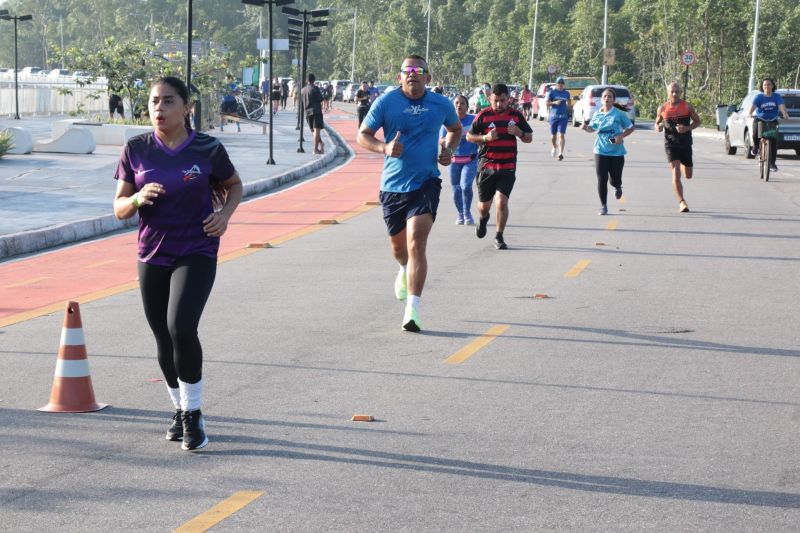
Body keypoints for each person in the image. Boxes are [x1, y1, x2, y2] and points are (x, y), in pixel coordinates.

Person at [112, 76, 243, 451]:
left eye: (168, 101)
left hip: (197, 250)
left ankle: (193, 415)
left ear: (186, 108)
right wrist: (137, 199)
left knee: (180, 327)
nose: (159, 109)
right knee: (162, 336)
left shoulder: (207, 148)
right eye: (154, 102)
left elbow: (234, 185)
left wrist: (225, 216)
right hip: (152, 253)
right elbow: (119, 208)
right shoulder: (136, 149)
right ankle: (178, 407)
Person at [357, 54, 461, 332]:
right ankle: (403, 269)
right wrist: (384, 148)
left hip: (426, 182)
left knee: (417, 242)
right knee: (399, 249)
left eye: (418, 70)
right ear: (399, 76)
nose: (413, 74)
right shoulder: (386, 102)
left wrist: (448, 150)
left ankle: (412, 309)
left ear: (428, 77)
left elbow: (455, 129)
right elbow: (362, 135)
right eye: (407, 70)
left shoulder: (440, 104)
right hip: (392, 186)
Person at [466, 83, 533, 250]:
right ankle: (483, 219)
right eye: (495, 101)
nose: (498, 104)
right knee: (484, 206)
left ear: (508, 99)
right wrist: (486, 138)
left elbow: (529, 137)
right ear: (490, 99)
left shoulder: (516, 116)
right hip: (487, 166)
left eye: (502, 101)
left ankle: (499, 236)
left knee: (502, 202)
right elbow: (469, 136)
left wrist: (520, 133)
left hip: (507, 166)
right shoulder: (483, 115)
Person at [581, 87, 634, 215]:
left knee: (614, 179)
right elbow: (592, 129)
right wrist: (585, 127)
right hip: (600, 149)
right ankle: (603, 205)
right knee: (601, 179)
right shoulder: (597, 114)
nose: (607, 98)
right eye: (605, 96)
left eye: (609, 96)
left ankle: (617, 186)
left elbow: (630, 128)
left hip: (616, 150)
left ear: (613, 100)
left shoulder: (619, 114)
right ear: (601, 99)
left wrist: (620, 136)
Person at [655, 82, 702, 213]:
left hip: (685, 143)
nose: (675, 94)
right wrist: (658, 127)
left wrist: (687, 128)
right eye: (672, 92)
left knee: (688, 175)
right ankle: (682, 202)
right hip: (670, 144)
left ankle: (682, 164)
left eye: (677, 91)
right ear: (668, 93)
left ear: (680, 93)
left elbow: (698, 121)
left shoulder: (687, 107)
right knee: (675, 173)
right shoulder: (663, 108)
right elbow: (657, 122)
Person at [440, 95, 478, 225]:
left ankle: (467, 212)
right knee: (456, 188)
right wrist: (452, 138)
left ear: (467, 106)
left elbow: (481, 136)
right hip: (453, 160)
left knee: (466, 186)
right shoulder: (448, 121)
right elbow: (441, 140)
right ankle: (460, 213)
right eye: (456, 103)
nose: (459, 105)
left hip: (470, 159)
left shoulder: (473, 120)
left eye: (462, 103)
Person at [748, 77, 790, 172]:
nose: (766, 86)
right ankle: (756, 146)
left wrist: (784, 114)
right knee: (755, 133)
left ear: (772, 86)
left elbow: (781, 106)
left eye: (769, 84)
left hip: (772, 120)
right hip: (760, 119)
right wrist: (750, 113)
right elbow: (753, 107)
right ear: (762, 87)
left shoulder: (776, 97)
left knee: (774, 141)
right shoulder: (759, 97)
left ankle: (772, 163)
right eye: (764, 85)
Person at [546, 77, 570, 160]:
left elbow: (569, 102)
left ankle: (560, 153)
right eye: (559, 84)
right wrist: (554, 102)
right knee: (553, 136)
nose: (560, 85)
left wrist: (568, 105)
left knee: (562, 135)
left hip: (563, 117)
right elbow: (546, 103)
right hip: (554, 117)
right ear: (556, 84)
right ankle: (555, 147)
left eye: (562, 84)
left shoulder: (566, 93)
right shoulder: (552, 92)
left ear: (563, 85)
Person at [301, 72, 325, 154]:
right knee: (317, 131)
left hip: (307, 112)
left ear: (306, 80)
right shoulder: (315, 88)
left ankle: (321, 144)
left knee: (313, 132)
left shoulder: (303, 90)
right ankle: (315, 149)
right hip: (316, 111)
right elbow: (321, 99)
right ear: (314, 80)